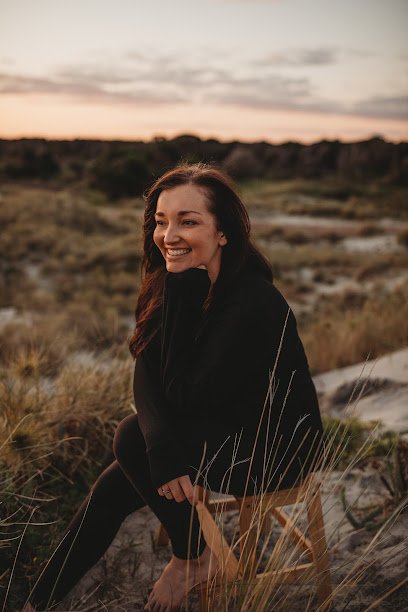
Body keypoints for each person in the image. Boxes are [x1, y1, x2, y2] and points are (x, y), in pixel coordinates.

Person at [25, 163, 324, 611]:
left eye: (188, 221)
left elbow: (184, 396)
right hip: (212, 427)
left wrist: (182, 292)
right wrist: (161, 446)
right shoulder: (175, 280)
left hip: (274, 450)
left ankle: (192, 558)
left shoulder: (251, 301)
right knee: (118, 476)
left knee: (133, 438)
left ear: (223, 233)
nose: (168, 236)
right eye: (161, 221)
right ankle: (35, 603)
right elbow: (146, 371)